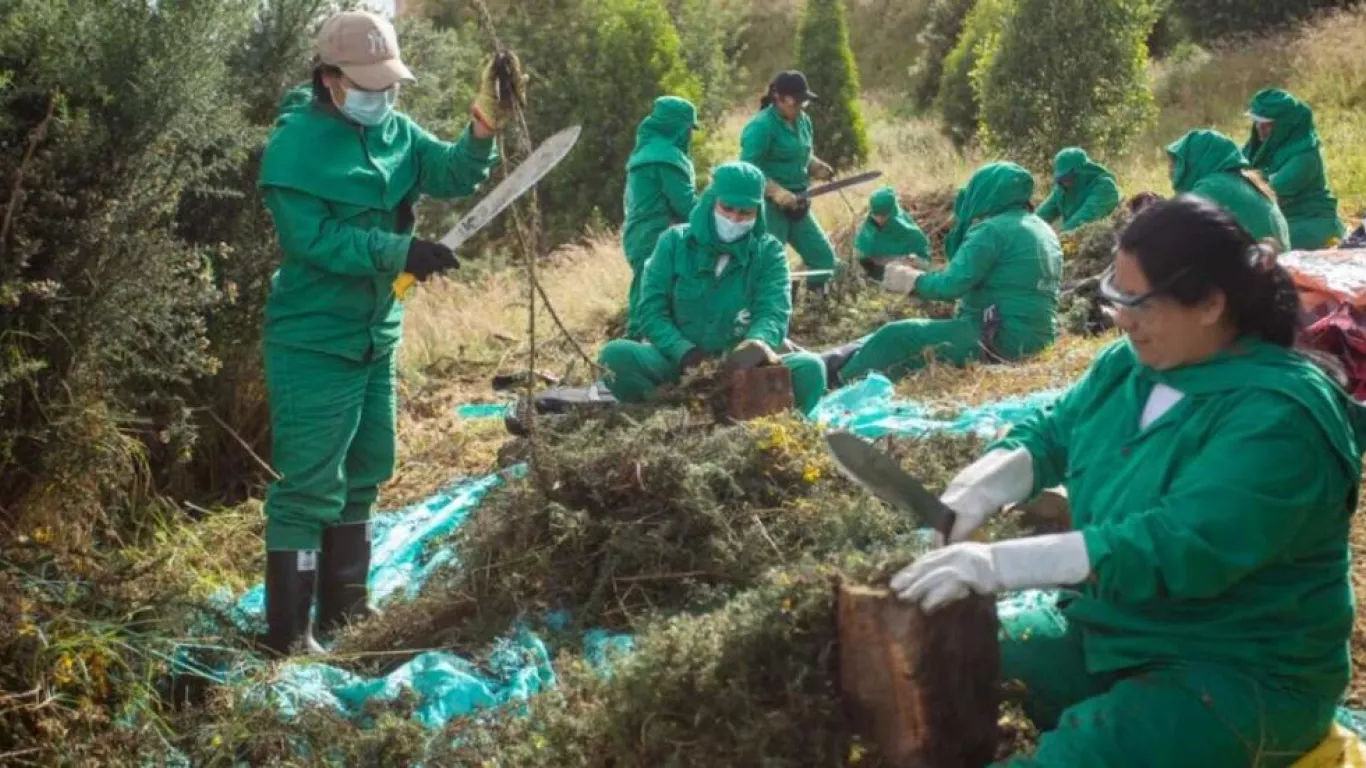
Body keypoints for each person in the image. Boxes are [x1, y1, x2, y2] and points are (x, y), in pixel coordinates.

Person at [889, 196, 1365, 767]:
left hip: (1235, 672)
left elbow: (1176, 544)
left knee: (1074, 757)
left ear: (1210, 303)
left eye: (1136, 302)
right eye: (1116, 295)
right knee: (941, 661)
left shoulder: (1279, 418)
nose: (1120, 318)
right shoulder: (1132, 368)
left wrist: (999, 566)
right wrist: (981, 487)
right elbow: (1053, 432)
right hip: (1109, 629)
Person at [257, 10, 523, 654]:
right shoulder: (294, 145)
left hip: (378, 332)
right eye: (367, 84)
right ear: (329, 79)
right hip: (314, 338)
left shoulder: (396, 131)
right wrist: (397, 251)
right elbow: (309, 238)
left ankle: (346, 613)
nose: (381, 96)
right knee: (308, 484)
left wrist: (484, 123)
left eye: (387, 84)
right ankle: (289, 640)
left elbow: (455, 171)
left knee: (369, 466)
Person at [597, 162, 827, 415]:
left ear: (757, 212)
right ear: (711, 201)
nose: (734, 219)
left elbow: (774, 312)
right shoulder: (673, 243)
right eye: (726, 209)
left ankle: (739, 416)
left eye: (745, 213)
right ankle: (664, 413)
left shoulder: (769, 253)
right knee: (615, 357)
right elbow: (651, 311)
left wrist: (756, 343)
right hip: (675, 365)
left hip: (742, 370)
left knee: (810, 369)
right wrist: (685, 353)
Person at [825, 163, 1062, 386]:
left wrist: (910, 279)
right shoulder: (1042, 228)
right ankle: (838, 365)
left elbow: (951, 286)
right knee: (900, 350)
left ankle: (834, 384)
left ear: (987, 192)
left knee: (895, 336)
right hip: (1038, 339)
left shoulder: (991, 231)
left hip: (998, 339)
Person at [740, 71, 838, 290]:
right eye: (796, 102)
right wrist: (775, 191)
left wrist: (815, 166)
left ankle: (815, 309)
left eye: (804, 103)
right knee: (771, 267)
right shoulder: (761, 126)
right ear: (779, 98)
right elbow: (747, 170)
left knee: (824, 260)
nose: (801, 107)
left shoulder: (803, 121)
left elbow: (800, 153)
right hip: (769, 208)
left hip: (799, 202)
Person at [622, 96, 699, 336]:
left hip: (638, 233)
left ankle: (640, 337)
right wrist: (713, 213)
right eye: (688, 128)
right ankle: (637, 342)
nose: (690, 135)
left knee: (646, 286)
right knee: (651, 290)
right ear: (675, 126)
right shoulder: (665, 158)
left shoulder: (647, 151)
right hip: (655, 234)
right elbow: (685, 204)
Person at [1243, 88, 1346, 250]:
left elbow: (1266, 194)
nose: (1259, 129)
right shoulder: (1259, 149)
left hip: (1309, 223)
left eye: (1267, 124)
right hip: (1281, 219)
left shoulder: (1305, 157)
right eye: (1257, 122)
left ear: (1287, 125)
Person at [1166, 129, 1291, 251]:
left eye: (1175, 165)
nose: (1170, 174)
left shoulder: (1214, 187)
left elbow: (1169, 229)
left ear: (1194, 161)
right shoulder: (1238, 180)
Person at [1034, 147, 1121, 233]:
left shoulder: (1105, 186)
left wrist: (1060, 237)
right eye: (1061, 179)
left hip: (1110, 237)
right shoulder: (1062, 189)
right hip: (1077, 238)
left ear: (1082, 171)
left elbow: (1086, 216)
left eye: (1068, 177)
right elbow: (1042, 214)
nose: (1065, 182)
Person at [853, 186, 930, 281]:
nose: (879, 219)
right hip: (877, 268)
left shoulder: (905, 228)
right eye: (876, 215)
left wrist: (912, 260)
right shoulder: (867, 227)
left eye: (883, 216)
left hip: (904, 265)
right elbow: (860, 254)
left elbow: (923, 256)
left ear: (892, 212)